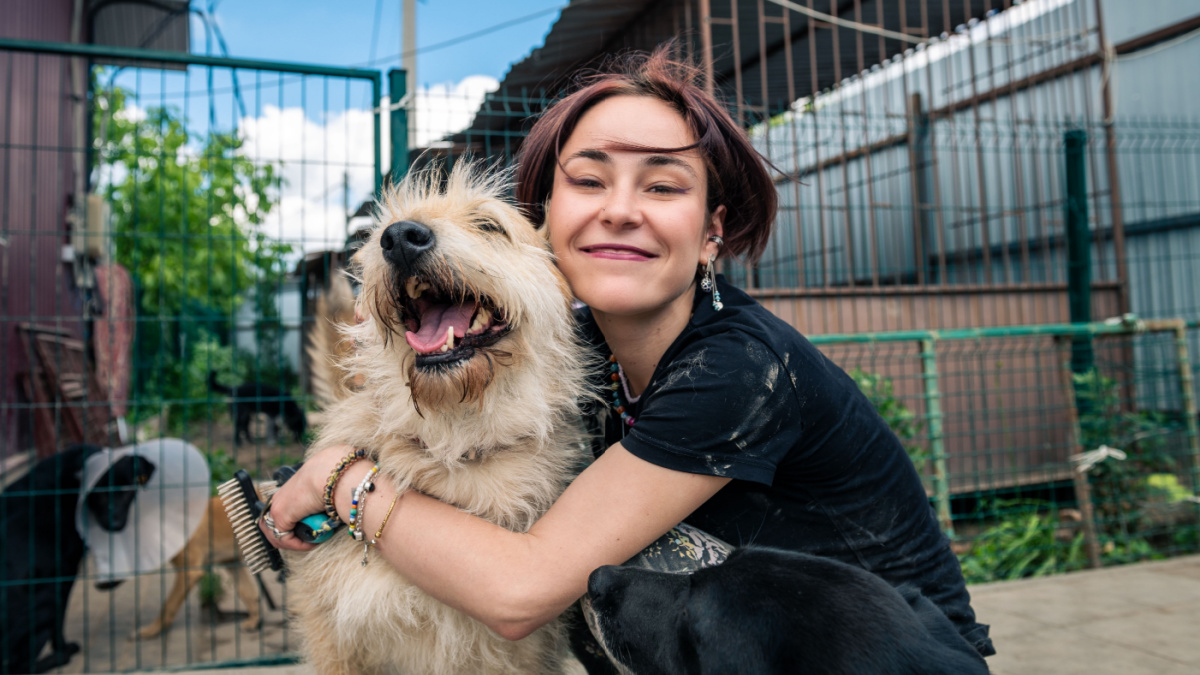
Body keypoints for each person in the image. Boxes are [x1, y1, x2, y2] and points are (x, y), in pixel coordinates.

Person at [264, 46, 993, 664]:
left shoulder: (738, 369)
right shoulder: (573, 355)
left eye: (663, 184)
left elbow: (520, 590)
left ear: (711, 233)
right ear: (548, 226)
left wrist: (340, 479)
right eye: (587, 179)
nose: (619, 207)